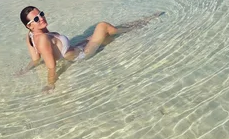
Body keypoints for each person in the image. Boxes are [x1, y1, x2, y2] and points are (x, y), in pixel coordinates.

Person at [17, 6, 163, 93]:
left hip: (77, 47)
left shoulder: (31, 36)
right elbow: (51, 66)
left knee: (103, 34)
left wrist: (24, 71)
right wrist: (50, 84)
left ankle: (131, 27)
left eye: (41, 14)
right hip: (81, 54)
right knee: (103, 26)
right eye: (36, 19)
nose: (41, 19)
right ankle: (137, 26)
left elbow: (36, 59)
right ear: (29, 25)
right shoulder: (42, 39)